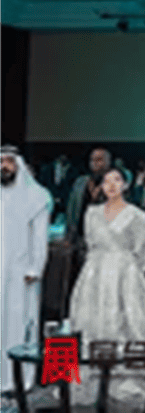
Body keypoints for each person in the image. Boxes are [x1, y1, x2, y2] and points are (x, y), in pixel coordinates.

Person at [68, 167, 145, 404]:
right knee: (89, 321)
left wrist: (127, 274)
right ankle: (90, 375)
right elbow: (90, 243)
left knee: (128, 323)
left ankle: (125, 378)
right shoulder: (91, 213)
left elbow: (143, 253)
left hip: (125, 274)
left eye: (117, 180)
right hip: (94, 273)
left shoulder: (137, 216)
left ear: (125, 184)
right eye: (106, 181)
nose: (111, 185)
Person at [0, 146, 51, 390]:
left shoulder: (36, 196)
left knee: (18, 325)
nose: (4, 166)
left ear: (19, 165)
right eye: (1, 162)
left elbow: (40, 238)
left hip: (20, 273)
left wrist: (34, 268)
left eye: (9, 162)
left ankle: (16, 380)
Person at [65, 147, 112, 247]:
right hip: (81, 238)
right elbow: (71, 209)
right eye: (92, 160)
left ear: (108, 163)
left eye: (99, 160)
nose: (94, 163)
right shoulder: (80, 182)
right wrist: (69, 236)